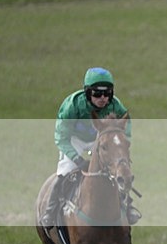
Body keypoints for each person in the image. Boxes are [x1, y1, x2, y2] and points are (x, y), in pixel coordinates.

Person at [40, 67, 141, 229]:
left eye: (107, 94)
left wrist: (121, 147)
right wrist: (77, 159)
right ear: (87, 92)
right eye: (97, 94)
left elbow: (126, 129)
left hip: (102, 139)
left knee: (119, 170)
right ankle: (50, 212)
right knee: (65, 171)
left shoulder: (116, 106)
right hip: (74, 140)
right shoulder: (72, 106)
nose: (102, 98)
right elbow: (61, 137)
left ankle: (128, 206)